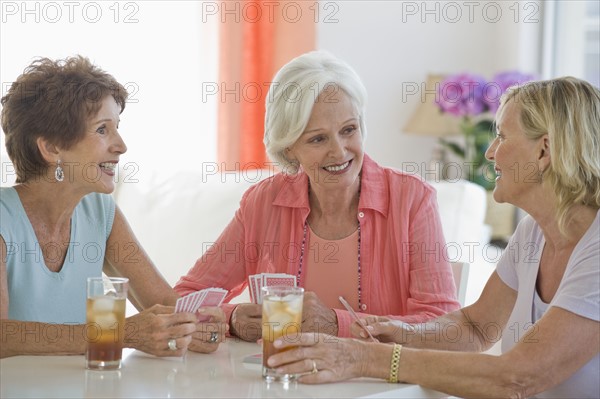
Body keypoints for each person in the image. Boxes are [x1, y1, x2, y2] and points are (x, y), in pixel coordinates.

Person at [267, 76, 600, 398]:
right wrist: (408, 334)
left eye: (502, 136)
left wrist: (366, 358)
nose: (490, 153)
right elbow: (475, 328)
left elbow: (517, 377)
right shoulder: (533, 233)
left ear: (543, 152)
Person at [175, 51, 460, 342]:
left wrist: (339, 325)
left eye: (348, 130)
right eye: (318, 139)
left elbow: (442, 328)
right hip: (285, 383)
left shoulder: (412, 199)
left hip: (378, 386)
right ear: (289, 149)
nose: (339, 152)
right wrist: (232, 318)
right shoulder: (262, 203)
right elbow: (183, 299)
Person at [0, 56, 226, 358]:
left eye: (117, 127)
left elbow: (163, 302)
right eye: (102, 130)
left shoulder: (99, 212)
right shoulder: (4, 217)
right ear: (52, 147)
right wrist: (117, 333)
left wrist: (210, 321)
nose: (121, 145)